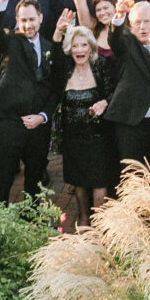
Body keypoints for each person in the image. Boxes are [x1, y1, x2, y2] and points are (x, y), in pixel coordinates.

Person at [0, 0, 57, 203]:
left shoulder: (49, 45)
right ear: (17, 21)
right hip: (9, 122)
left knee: (35, 182)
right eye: (23, 20)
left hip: (37, 125)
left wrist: (43, 117)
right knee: (2, 179)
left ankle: (31, 225)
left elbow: (54, 87)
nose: (28, 25)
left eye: (32, 19)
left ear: (41, 18)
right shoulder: (8, 41)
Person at [98, 1, 150, 180]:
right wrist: (118, 17)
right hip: (130, 121)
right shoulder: (127, 44)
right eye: (137, 22)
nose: (142, 27)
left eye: (147, 21)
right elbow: (114, 39)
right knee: (131, 174)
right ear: (130, 26)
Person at [54, 26, 113, 228]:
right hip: (72, 136)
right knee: (78, 179)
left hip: (98, 136)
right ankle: (83, 217)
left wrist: (105, 102)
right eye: (75, 45)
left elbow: (113, 92)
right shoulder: (65, 68)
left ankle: (101, 222)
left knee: (99, 180)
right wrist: (57, 30)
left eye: (84, 45)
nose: (79, 49)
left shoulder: (101, 65)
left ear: (91, 47)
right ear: (70, 49)